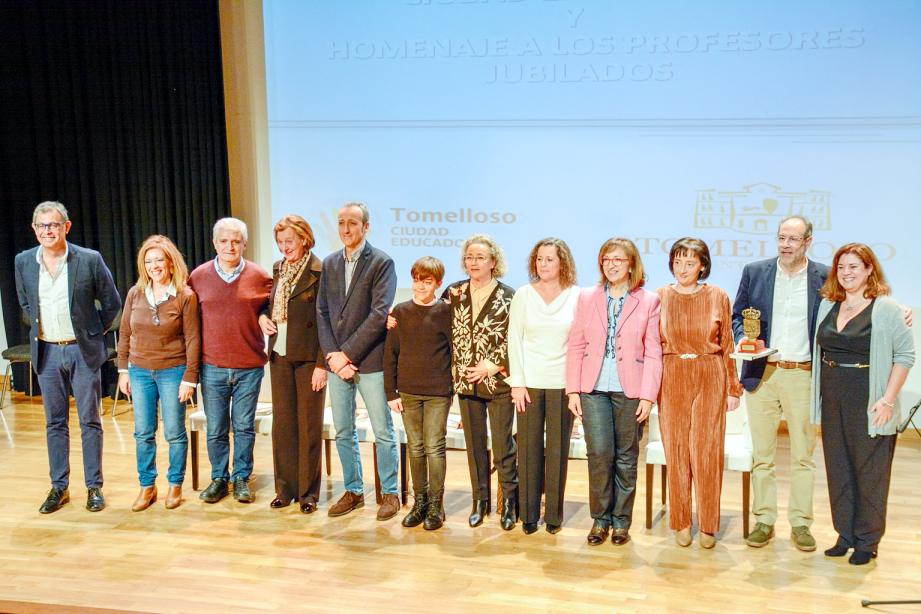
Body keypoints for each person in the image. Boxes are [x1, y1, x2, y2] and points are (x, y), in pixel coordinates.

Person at [14, 201, 121, 514]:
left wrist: (91, 333)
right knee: (54, 422)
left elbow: (112, 305)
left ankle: (93, 487)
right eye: (42, 226)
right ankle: (59, 487)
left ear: (66, 227)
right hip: (46, 351)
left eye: (54, 225)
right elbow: (25, 304)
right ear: (35, 230)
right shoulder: (23, 261)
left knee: (90, 420)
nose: (48, 230)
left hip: (81, 351)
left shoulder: (88, 259)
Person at [812, 243, 914, 565]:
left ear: (870, 269)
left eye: (854, 266)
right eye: (841, 267)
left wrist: (887, 399)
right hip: (833, 396)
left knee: (869, 472)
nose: (846, 273)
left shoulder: (886, 308)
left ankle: (868, 541)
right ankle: (845, 534)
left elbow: (905, 356)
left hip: (869, 400)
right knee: (838, 467)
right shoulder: (829, 304)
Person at [731, 215, 828, 551]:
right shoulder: (755, 272)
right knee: (762, 455)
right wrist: (745, 339)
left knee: (803, 455)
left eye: (793, 239)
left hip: (803, 374)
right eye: (781, 238)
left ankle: (801, 524)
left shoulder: (826, 277)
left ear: (808, 241)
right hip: (763, 373)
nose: (785, 245)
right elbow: (738, 315)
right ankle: (764, 520)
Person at [566, 238, 662, 546]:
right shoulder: (587, 297)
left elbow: (653, 352)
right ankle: (600, 519)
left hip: (630, 389)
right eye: (606, 259)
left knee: (625, 456)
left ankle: (621, 521)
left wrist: (648, 395)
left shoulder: (648, 300)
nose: (612, 264)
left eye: (618, 259)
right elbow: (577, 345)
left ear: (631, 264)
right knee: (599, 454)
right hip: (592, 388)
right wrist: (573, 391)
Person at [317, 202, 401, 521]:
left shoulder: (381, 262)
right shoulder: (330, 263)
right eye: (341, 223)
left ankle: (389, 493)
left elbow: (379, 314)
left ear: (366, 227)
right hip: (337, 363)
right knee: (343, 430)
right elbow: (322, 313)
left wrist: (347, 354)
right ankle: (353, 489)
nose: (346, 229)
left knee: (382, 431)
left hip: (369, 360)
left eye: (352, 223)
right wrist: (334, 358)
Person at [657, 238, 742, 548]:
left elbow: (729, 344)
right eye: (678, 262)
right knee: (676, 450)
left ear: (702, 265)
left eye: (690, 263)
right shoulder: (661, 297)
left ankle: (708, 524)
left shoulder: (717, 295)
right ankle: (681, 520)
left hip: (709, 373)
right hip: (672, 374)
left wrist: (733, 387)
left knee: (706, 452)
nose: (683, 269)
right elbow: (652, 345)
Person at [189, 218, 272, 504]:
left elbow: (269, 309)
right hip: (212, 366)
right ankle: (219, 478)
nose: (230, 246)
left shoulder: (261, 277)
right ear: (214, 243)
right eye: (224, 241)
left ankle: (241, 478)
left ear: (244, 244)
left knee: (245, 426)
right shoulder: (197, 277)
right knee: (216, 428)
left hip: (249, 365)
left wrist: (263, 316)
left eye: (236, 241)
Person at [116, 235, 200, 511]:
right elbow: (125, 333)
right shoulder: (135, 293)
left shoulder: (185, 296)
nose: (154, 266)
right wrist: (123, 370)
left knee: (174, 432)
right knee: (143, 432)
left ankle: (175, 485)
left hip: (173, 371)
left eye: (159, 260)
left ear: (171, 264)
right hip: (139, 371)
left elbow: (193, 339)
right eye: (148, 261)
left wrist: (189, 377)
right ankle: (147, 486)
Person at [443, 234, 518, 530]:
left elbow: (517, 339)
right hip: (465, 383)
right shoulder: (454, 293)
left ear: (493, 262)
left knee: (502, 447)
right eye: (469, 257)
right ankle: (479, 501)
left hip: (497, 383)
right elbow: (433, 322)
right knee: (474, 448)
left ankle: (509, 503)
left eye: (480, 257)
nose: (473, 262)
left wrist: (494, 364)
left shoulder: (510, 296)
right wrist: (395, 319)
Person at [507, 238, 580, 535]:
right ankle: (528, 514)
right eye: (539, 259)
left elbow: (580, 344)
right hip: (529, 386)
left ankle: (554, 516)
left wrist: (575, 387)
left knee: (558, 451)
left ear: (562, 262)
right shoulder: (524, 295)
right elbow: (515, 340)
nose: (543, 264)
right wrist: (518, 384)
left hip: (562, 385)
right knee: (528, 450)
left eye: (550, 259)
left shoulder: (577, 296)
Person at [258, 215, 327, 514]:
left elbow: (327, 320)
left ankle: (308, 493)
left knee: (309, 426)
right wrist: (262, 317)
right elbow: (267, 304)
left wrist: (323, 364)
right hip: (280, 356)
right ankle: (284, 489)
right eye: (280, 242)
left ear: (304, 239)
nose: (285, 247)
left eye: (290, 241)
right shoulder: (278, 268)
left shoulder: (319, 270)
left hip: (310, 358)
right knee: (283, 426)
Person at [384, 257, 453, 531]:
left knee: (434, 447)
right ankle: (420, 501)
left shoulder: (446, 312)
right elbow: (391, 355)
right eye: (416, 280)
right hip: (409, 391)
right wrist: (391, 392)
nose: (420, 286)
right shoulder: (399, 312)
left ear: (437, 284)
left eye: (427, 281)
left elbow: (454, 353)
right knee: (415, 447)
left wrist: (452, 389)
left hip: (438, 392)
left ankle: (436, 504)